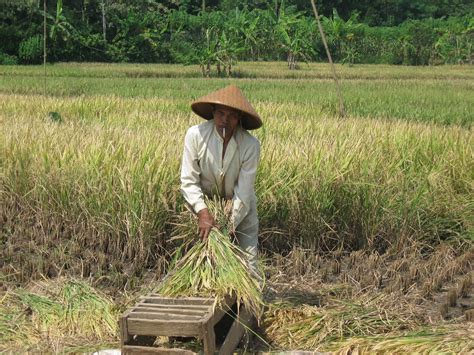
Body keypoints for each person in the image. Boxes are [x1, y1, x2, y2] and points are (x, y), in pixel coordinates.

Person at [180, 85, 262, 272]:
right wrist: (202, 212)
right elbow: (188, 180)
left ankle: (250, 300)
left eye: (232, 116)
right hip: (203, 206)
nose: (225, 120)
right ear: (213, 112)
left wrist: (229, 224)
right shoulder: (196, 135)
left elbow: (244, 191)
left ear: (239, 118)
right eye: (221, 114)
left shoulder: (250, 145)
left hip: (241, 207)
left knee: (248, 266)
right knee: (202, 265)